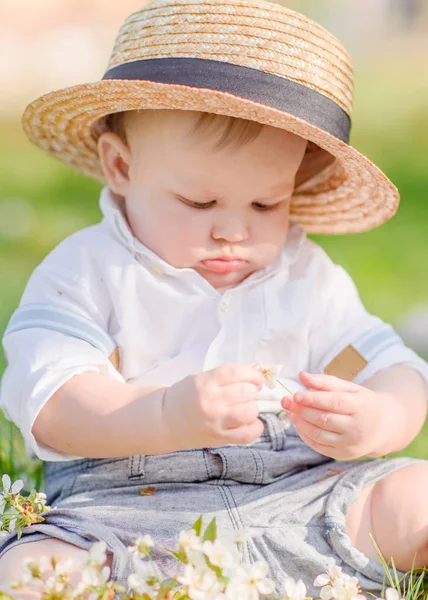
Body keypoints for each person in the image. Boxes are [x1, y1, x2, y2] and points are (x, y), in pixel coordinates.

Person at [0, 0, 427, 595]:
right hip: (128, 509)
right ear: (120, 166)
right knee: (33, 572)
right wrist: (165, 413)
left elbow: (394, 368)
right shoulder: (86, 271)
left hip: (302, 494)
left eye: (265, 205)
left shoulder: (306, 276)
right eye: (200, 204)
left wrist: (381, 418)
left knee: (417, 498)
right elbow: (54, 404)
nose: (234, 230)